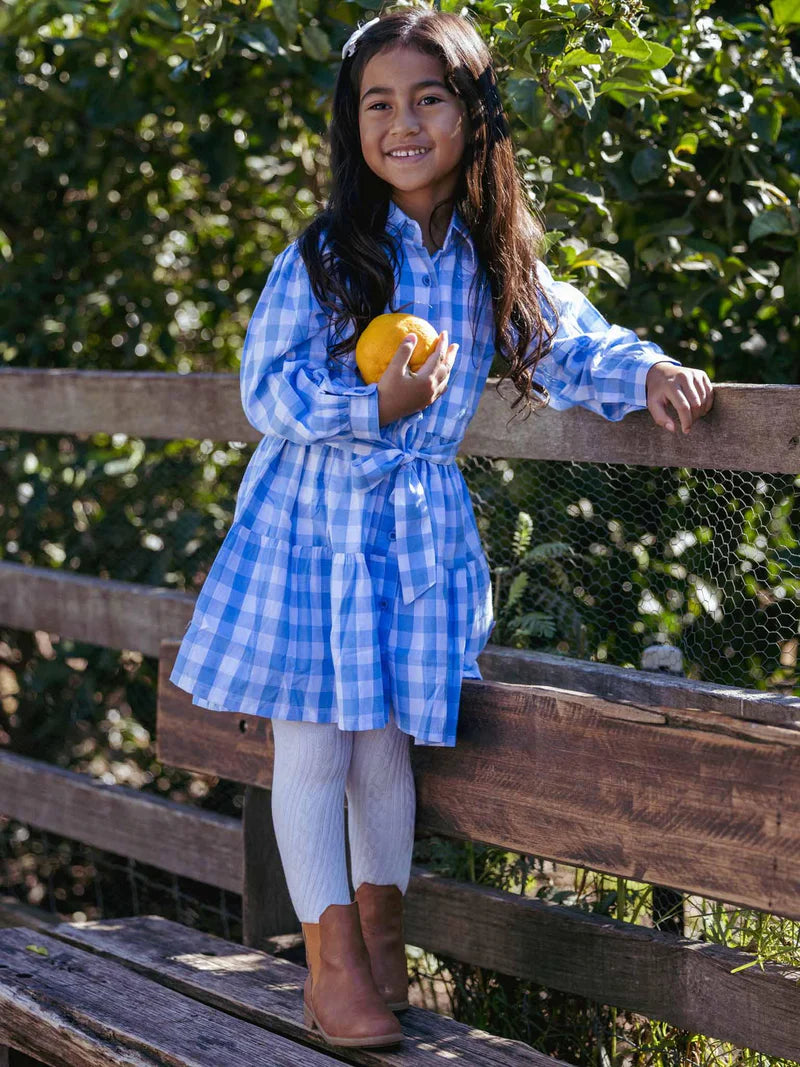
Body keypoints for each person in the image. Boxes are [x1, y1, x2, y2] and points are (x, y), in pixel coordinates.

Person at [169, 6, 714, 1050]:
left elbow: (567, 343)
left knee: (384, 747)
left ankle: (382, 944)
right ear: (353, 126)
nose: (402, 123)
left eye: (428, 99)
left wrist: (645, 370)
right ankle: (329, 965)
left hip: (413, 535)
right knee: (313, 743)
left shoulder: (485, 256)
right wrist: (371, 406)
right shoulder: (327, 253)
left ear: (473, 116)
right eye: (378, 104)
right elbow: (265, 389)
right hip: (311, 528)